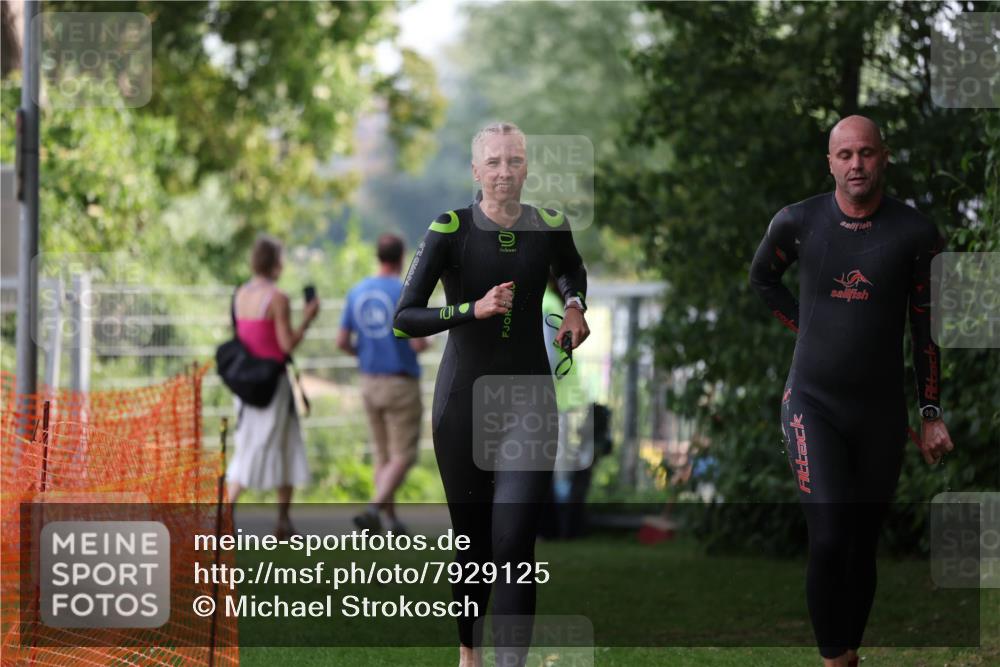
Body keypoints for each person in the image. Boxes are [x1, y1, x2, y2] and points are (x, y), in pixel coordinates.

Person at [749, 115, 954, 667]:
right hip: (812, 405)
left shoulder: (916, 234)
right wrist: (807, 329)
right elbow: (762, 279)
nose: (856, 164)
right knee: (832, 533)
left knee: (863, 542)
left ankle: (849, 653)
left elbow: (926, 328)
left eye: (866, 153)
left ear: (883, 156)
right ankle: (833, 659)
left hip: (881, 412)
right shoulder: (799, 223)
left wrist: (930, 412)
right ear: (831, 163)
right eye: (845, 155)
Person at [393, 122, 589, 667]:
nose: (506, 172)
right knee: (474, 543)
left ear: (527, 167)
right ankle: (468, 651)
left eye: (516, 161)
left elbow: (571, 268)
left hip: (529, 400)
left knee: (514, 543)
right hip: (463, 402)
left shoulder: (549, 224)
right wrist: (469, 310)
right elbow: (404, 318)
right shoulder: (450, 227)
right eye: (495, 163)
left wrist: (574, 306)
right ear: (476, 172)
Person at [226, 235, 319, 538]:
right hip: (272, 386)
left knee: (285, 444)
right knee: (256, 447)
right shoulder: (278, 299)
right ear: (276, 262)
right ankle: (222, 514)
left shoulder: (240, 293)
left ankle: (284, 521)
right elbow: (285, 344)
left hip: (247, 385)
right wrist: (307, 320)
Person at [338, 233, 429, 535]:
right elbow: (418, 345)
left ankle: (389, 523)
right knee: (404, 455)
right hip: (400, 382)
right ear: (401, 256)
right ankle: (374, 508)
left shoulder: (356, 291)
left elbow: (342, 342)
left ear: (378, 255)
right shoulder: (404, 292)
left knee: (382, 455)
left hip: (369, 381)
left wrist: (362, 353)